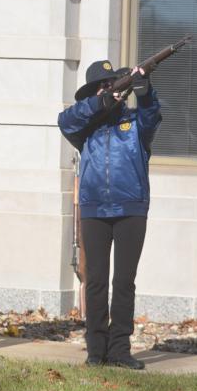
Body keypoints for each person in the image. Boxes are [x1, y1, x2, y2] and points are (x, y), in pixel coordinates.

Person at [58, 60, 161, 370]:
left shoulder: (135, 123)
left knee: (124, 281)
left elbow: (153, 116)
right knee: (96, 281)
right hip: (94, 210)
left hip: (131, 209)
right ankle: (96, 350)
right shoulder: (85, 126)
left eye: (111, 84)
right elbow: (65, 120)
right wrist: (99, 102)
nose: (108, 89)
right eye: (102, 86)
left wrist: (144, 92)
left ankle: (119, 350)